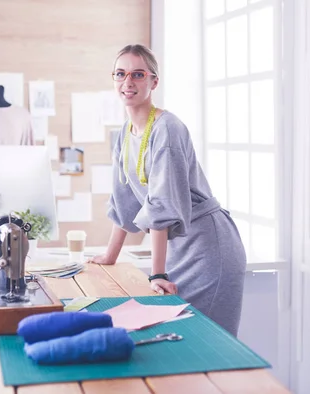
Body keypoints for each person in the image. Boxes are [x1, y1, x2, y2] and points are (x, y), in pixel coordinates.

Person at [87, 44, 246, 336]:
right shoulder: (125, 132)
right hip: (178, 248)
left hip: (207, 248)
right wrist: (110, 255)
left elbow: (161, 205)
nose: (128, 82)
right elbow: (125, 202)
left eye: (137, 74)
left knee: (207, 342)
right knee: (176, 340)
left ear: (153, 81)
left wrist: (157, 272)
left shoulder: (167, 129)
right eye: (120, 74)